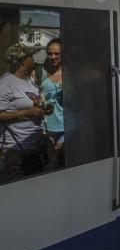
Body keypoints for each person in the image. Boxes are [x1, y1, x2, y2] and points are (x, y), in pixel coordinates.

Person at [0, 43, 47, 182]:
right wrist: (27, 111)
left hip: (34, 145)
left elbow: (30, 100)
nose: (33, 59)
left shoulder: (30, 80)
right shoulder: (5, 84)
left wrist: (39, 104)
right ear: (23, 60)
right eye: (30, 55)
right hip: (14, 150)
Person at [40, 38, 64, 168]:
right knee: (48, 167)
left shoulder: (71, 74)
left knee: (60, 166)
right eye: (50, 54)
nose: (53, 57)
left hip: (65, 129)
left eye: (56, 53)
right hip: (47, 129)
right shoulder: (43, 73)